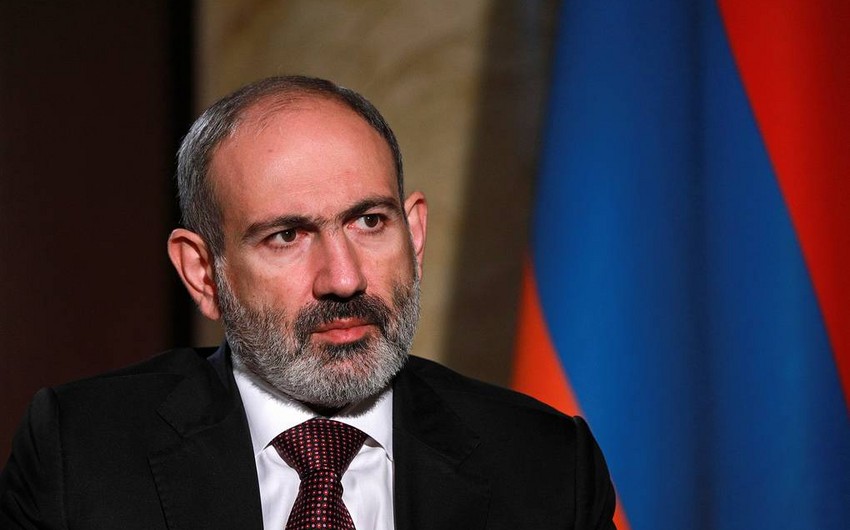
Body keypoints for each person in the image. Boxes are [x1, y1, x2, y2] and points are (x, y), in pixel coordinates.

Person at [0, 76, 616, 529]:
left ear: (415, 234)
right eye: (287, 236)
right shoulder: (80, 454)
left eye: (369, 222)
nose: (344, 279)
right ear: (203, 273)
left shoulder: (547, 465)